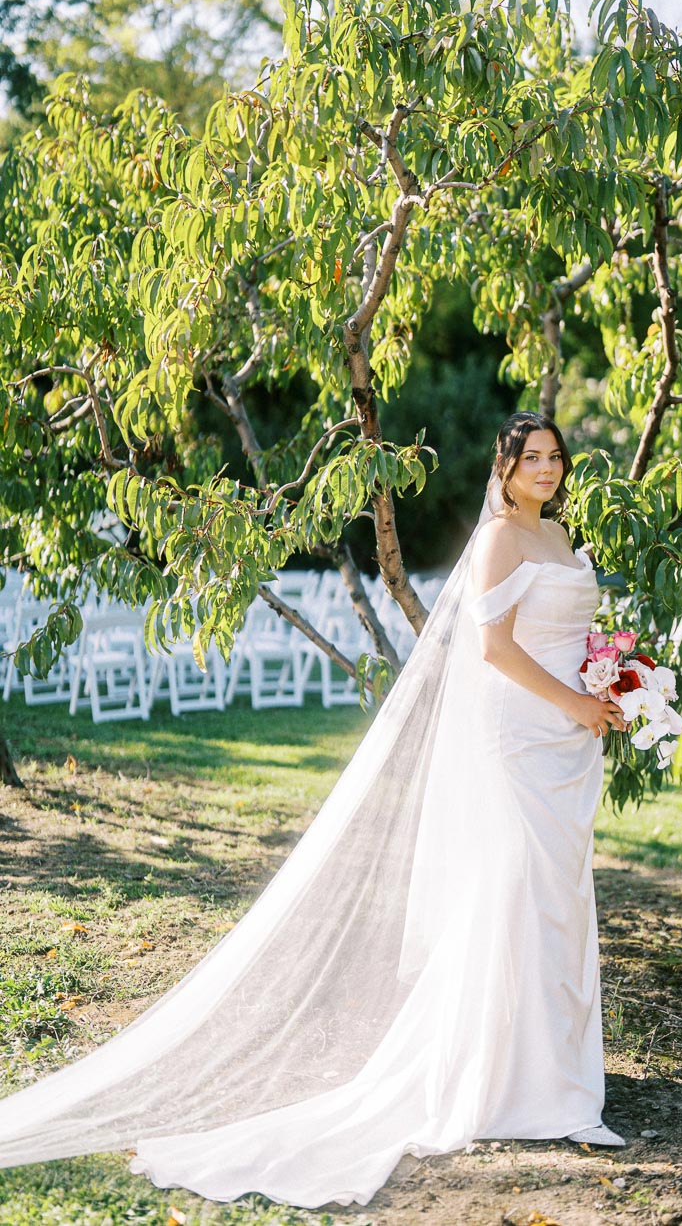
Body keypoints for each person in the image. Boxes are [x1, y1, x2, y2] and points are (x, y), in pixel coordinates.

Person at [0, 411, 627, 1209]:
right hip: (523, 734)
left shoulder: (563, 538)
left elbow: (569, 631)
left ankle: (554, 1074)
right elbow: (494, 649)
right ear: (503, 470)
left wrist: (608, 683)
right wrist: (574, 701)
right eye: (530, 458)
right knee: (519, 893)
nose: (545, 468)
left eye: (553, 457)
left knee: (559, 901)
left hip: (568, 740)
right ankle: (507, 1080)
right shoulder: (503, 537)